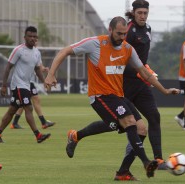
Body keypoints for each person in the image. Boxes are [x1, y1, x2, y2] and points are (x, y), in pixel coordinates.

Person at [45, 16, 179, 178]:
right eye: (118, 34)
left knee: (140, 129)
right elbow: (64, 51)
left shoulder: (127, 48)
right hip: (100, 96)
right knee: (129, 122)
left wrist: (164, 90)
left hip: (118, 96)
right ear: (110, 30)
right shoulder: (95, 44)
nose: (122, 38)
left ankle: (121, 171)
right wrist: (51, 74)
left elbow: (144, 72)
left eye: (124, 34)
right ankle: (145, 162)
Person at [66, 0, 168, 181]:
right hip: (122, 84)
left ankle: (151, 161)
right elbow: (121, 62)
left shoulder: (147, 31)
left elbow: (139, 64)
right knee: (119, 124)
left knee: (146, 122)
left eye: (145, 13)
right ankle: (78, 135)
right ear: (134, 13)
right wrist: (141, 71)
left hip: (140, 82)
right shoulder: (125, 32)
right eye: (140, 13)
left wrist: (158, 84)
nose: (143, 16)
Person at [0, 26, 51, 143]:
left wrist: (44, 82)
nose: (32, 38)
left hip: (26, 85)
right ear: (25, 37)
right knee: (28, 107)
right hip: (18, 85)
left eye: (34, 36)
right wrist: (4, 85)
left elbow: (38, 69)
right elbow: (8, 67)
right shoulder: (19, 50)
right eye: (30, 36)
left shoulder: (36, 53)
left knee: (12, 110)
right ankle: (38, 135)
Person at [10, 39, 55, 130]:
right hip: (25, 82)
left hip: (28, 82)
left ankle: (15, 122)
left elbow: (39, 67)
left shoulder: (36, 53)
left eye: (37, 40)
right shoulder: (23, 51)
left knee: (23, 103)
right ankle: (43, 122)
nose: (35, 41)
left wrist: (45, 69)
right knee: (35, 99)